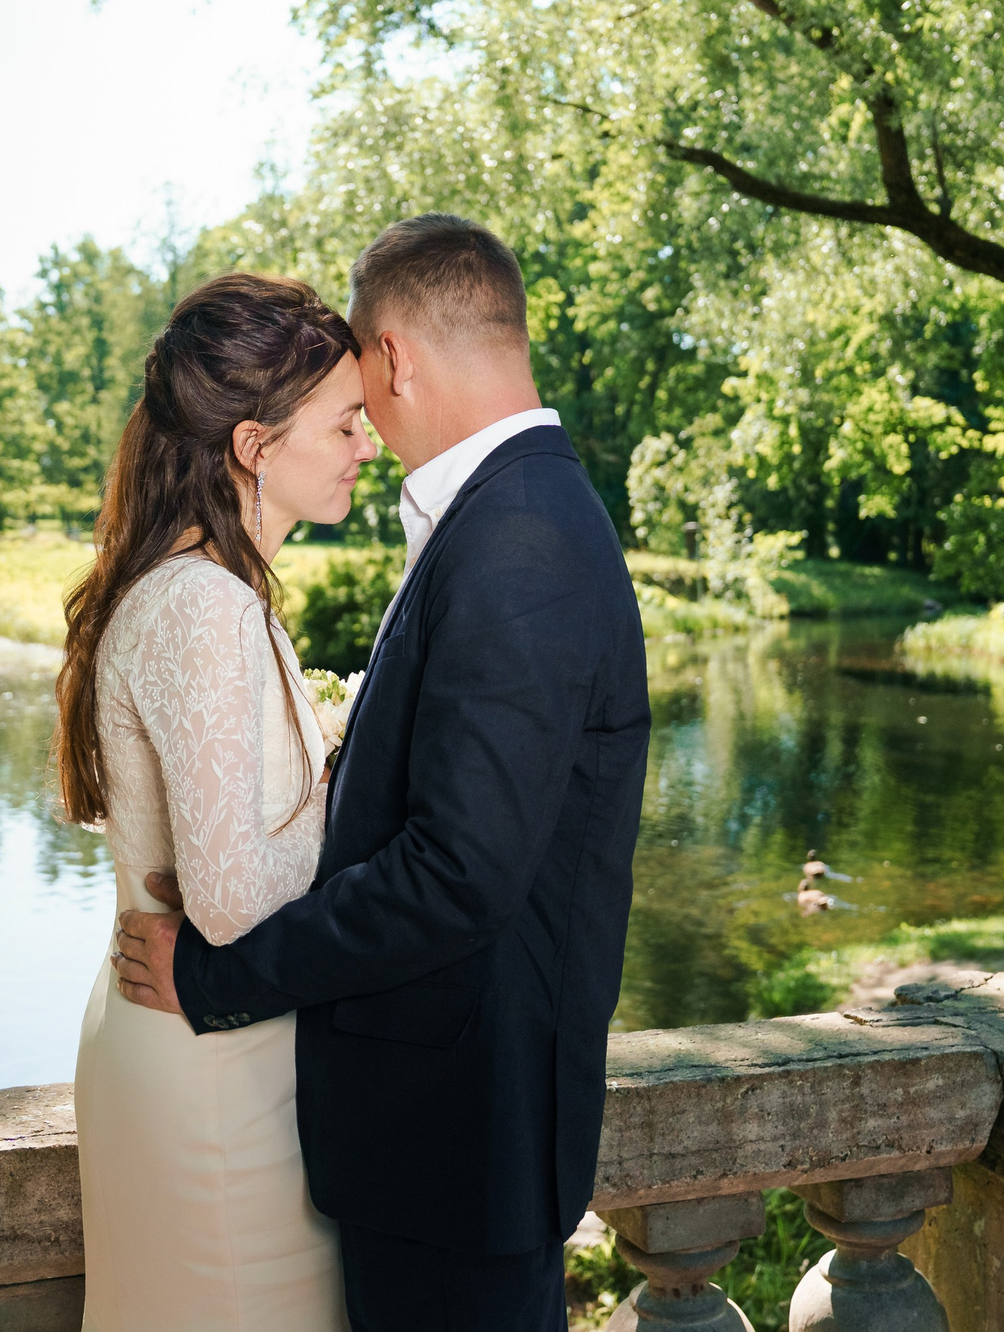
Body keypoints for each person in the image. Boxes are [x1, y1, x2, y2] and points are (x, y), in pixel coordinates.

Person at [112, 214, 652, 1332]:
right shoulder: (519, 515)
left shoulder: (517, 540)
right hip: (439, 1145)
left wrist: (212, 982)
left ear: (394, 356)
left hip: (455, 1148)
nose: (362, 427)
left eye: (361, 392)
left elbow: (457, 874)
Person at [59, 272, 377, 1332]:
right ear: (253, 443)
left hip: (184, 1041)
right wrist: (355, 791)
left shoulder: (188, 585)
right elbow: (232, 901)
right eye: (342, 423)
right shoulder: (203, 605)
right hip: (211, 1072)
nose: (363, 446)